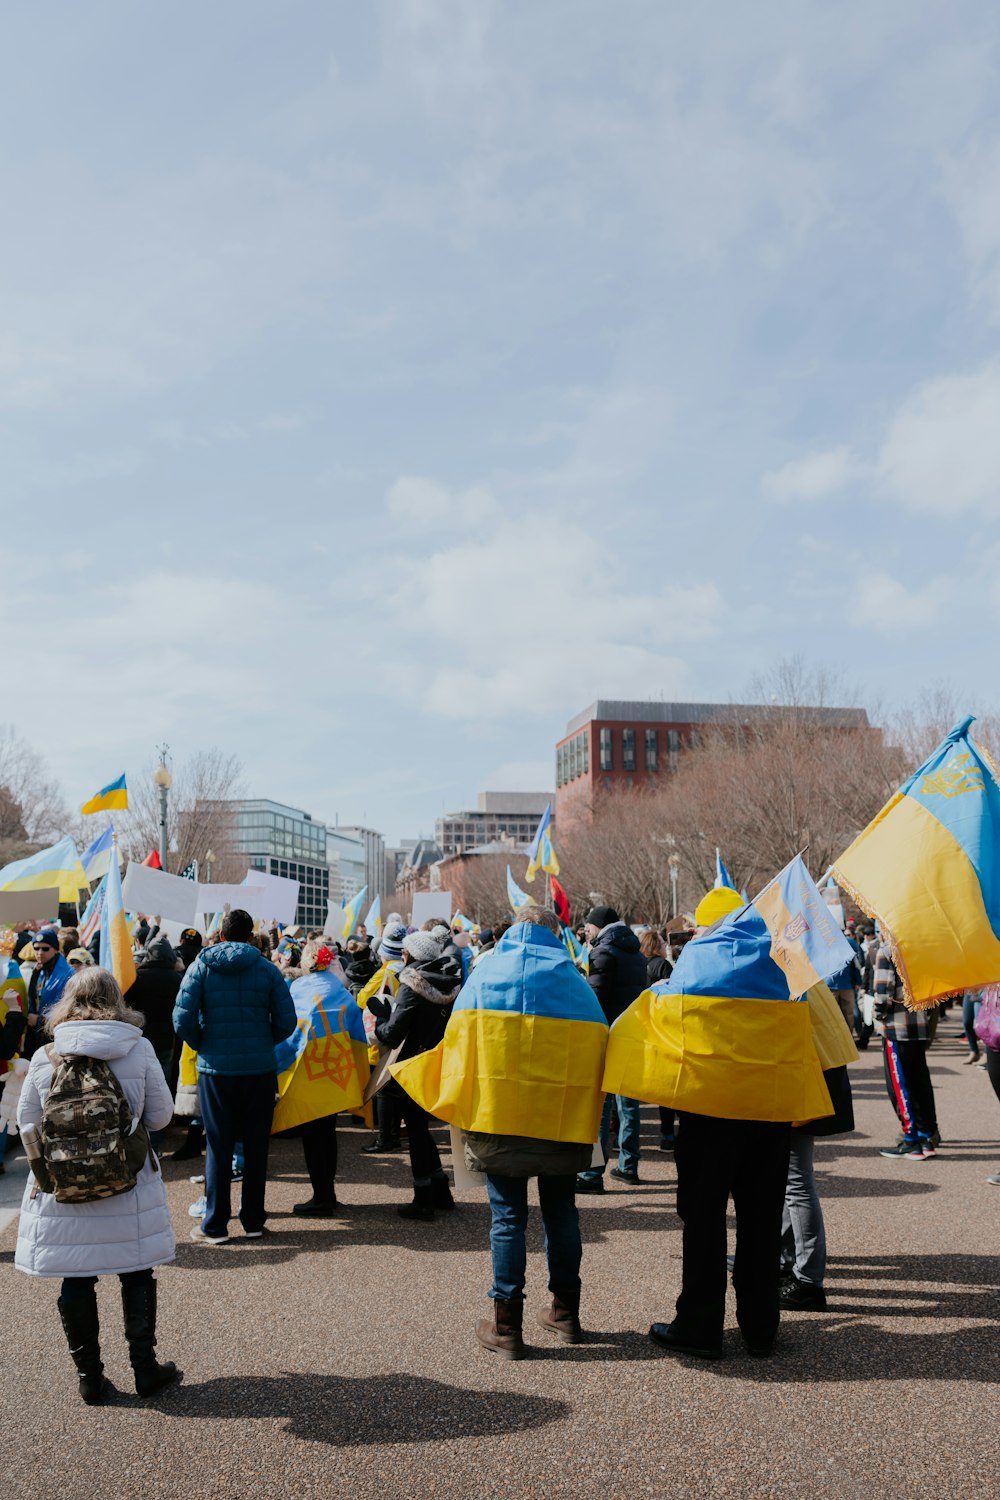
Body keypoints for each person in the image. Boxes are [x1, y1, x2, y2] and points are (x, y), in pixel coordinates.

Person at [15, 967, 178, 1404]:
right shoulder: (137, 1048)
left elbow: (25, 1122)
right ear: (116, 1000)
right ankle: (146, 1370)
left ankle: (90, 1377)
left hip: (65, 1187)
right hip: (129, 1180)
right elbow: (162, 1117)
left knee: (77, 1276)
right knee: (136, 1270)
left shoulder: (47, 1055)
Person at [463, 908, 607, 1358]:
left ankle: (507, 1326)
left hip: (498, 1117)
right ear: (554, 933)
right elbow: (601, 1044)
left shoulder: (485, 977)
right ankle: (566, 1313)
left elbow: (457, 1042)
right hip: (560, 1121)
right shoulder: (576, 983)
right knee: (562, 1212)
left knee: (508, 1219)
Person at [173, 908, 296, 1244]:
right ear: (251, 935)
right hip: (259, 1068)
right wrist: (261, 1040)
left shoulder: (201, 966)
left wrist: (204, 1042)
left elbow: (182, 1019)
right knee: (256, 1145)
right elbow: (287, 1022)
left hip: (216, 1070)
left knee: (218, 1145)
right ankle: (254, 1220)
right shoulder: (268, 970)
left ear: (222, 935)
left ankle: (214, 1225)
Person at [366, 929, 462, 1220]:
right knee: (421, 1129)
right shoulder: (448, 982)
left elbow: (394, 1033)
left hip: (411, 1065)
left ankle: (423, 1200)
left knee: (417, 1133)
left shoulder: (411, 983)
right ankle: (441, 1191)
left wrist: (380, 1023)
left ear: (409, 955)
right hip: (437, 1061)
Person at [576, 904, 647, 1191]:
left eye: (589, 926)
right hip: (631, 1032)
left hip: (606, 1035)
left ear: (598, 926)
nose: (586, 931)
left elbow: (595, 999)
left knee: (601, 1108)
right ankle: (628, 1165)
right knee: (629, 1104)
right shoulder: (636, 952)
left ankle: (592, 1174)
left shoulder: (603, 952)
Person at [287, 946, 354, 1217]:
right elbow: (355, 1024)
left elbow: (290, 1028)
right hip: (335, 1069)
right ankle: (328, 1193)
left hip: (307, 1069)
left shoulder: (299, 989)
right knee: (328, 1132)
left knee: (312, 1136)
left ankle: (321, 1196)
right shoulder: (339, 989)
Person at [874, 941, 940, 1160]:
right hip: (919, 1022)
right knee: (920, 1081)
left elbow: (883, 993)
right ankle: (926, 1135)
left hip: (896, 1027)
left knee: (900, 1085)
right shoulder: (921, 947)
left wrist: (877, 1014)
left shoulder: (887, 949)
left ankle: (911, 1139)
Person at [356, 922, 407, 1153]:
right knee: (397, 1085)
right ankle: (396, 1133)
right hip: (407, 1033)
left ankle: (386, 1138)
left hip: (385, 1032)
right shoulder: (410, 966)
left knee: (384, 1088)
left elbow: (362, 999)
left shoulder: (385, 971)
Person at [23, 929, 74, 1060]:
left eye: (45, 948)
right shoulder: (40, 970)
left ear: (56, 949)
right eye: (36, 948)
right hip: (38, 1036)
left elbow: (71, 1011)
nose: (40, 953)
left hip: (56, 1038)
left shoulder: (68, 975)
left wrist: (39, 1020)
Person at [962, 987, 984, 1064]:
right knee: (966, 1022)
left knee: (981, 1025)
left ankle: (986, 1054)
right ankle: (974, 1051)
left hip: (985, 989)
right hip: (970, 988)